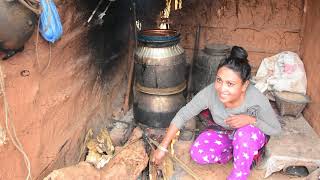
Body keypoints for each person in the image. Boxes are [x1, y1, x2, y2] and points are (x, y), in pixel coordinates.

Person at [151, 46, 281, 180]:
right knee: (199, 154)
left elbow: (276, 129)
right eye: (219, 80)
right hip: (225, 132)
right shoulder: (210, 92)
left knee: (244, 134)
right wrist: (163, 147)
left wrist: (251, 120)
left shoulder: (256, 99)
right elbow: (184, 114)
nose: (222, 89)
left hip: (248, 135)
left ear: (244, 86)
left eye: (230, 84)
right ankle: (234, 152)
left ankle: (240, 173)